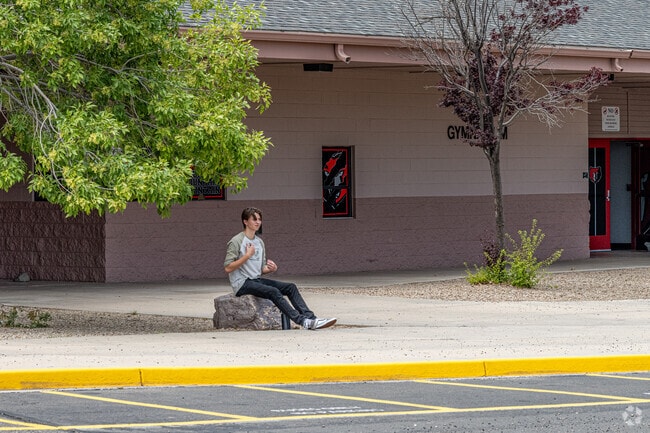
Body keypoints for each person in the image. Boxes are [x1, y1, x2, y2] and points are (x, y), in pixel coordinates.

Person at [224, 207, 337, 330]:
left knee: (290, 287)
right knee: (273, 291)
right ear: (245, 222)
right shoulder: (236, 241)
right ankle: (303, 321)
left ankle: (311, 319)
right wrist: (247, 256)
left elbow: (260, 270)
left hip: (256, 279)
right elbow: (228, 268)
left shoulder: (259, 242)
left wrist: (270, 269)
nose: (258, 222)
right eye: (254, 219)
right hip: (242, 283)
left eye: (260, 219)